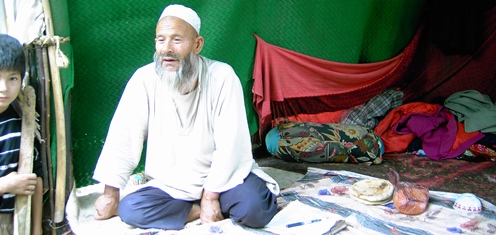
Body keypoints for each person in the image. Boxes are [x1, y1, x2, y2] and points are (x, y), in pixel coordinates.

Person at [93, 4, 279, 230]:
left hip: (223, 181)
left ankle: (206, 205)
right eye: (160, 40)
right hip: (171, 186)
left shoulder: (222, 77)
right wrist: (111, 194)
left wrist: (210, 195)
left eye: (177, 40)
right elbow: (124, 136)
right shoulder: (143, 79)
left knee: (255, 210)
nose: (166, 49)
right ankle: (196, 211)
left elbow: (231, 145)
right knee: (131, 209)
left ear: (197, 44)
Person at [0, 34, 44, 235]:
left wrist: (36, 230)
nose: (4, 88)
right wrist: (5, 185)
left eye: (13, 78)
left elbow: (34, 180)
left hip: (12, 223)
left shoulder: (22, 121)